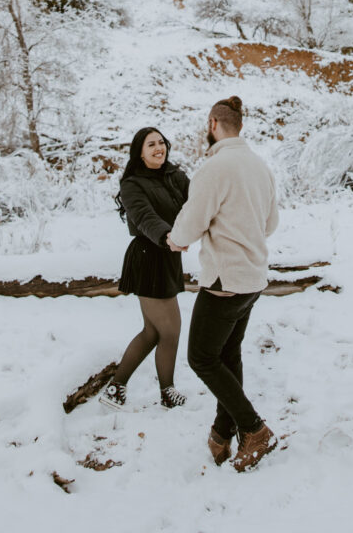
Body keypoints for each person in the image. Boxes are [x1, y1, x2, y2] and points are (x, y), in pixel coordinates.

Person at [167, 96, 279, 472]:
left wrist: (175, 239)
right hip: (252, 280)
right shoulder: (260, 167)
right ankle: (221, 433)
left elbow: (190, 222)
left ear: (214, 123)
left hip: (224, 280)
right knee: (227, 356)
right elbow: (270, 225)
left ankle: (254, 429)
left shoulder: (213, 168)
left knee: (201, 357)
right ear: (239, 125)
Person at [99, 127, 190, 411]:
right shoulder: (132, 184)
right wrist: (167, 236)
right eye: (151, 144)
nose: (158, 147)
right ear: (140, 152)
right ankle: (167, 391)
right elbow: (144, 216)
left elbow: (198, 206)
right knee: (171, 330)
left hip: (169, 255)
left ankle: (116, 388)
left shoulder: (177, 176)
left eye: (161, 142)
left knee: (153, 331)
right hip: (149, 256)